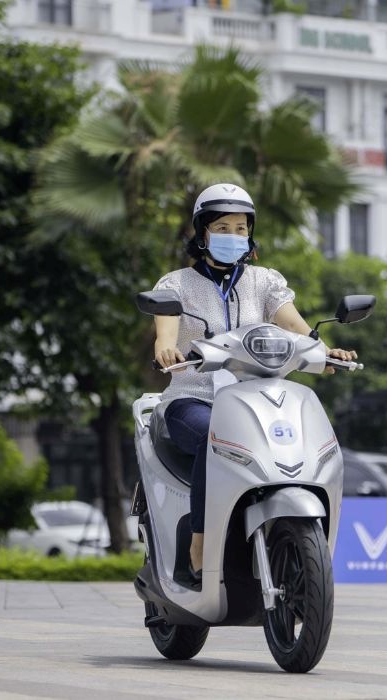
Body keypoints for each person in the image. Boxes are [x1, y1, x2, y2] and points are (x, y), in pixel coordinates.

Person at [152, 183, 357, 583]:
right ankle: (198, 546)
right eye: (223, 227)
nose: (234, 236)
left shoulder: (265, 282)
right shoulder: (175, 285)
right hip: (193, 398)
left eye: (241, 229)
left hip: (254, 399)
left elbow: (297, 327)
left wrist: (328, 351)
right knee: (216, 439)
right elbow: (165, 331)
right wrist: (166, 349)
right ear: (203, 232)